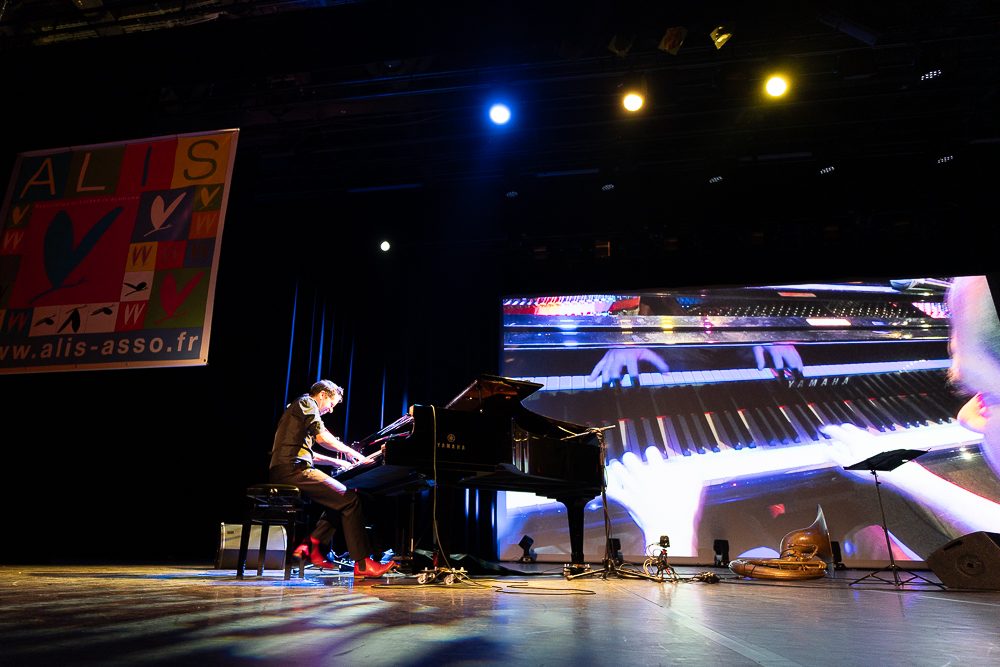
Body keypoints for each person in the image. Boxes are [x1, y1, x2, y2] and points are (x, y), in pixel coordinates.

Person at [268, 379, 397, 578]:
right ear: (322, 395)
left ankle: (309, 548)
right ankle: (363, 564)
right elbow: (322, 438)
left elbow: (308, 453)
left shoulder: (298, 409)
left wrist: (337, 462)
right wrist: (352, 454)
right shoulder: (307, 403)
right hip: (293, 470)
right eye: (331, 404)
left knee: (339, 501)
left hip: (287, 468)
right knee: (351, 500)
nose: (331, 409)